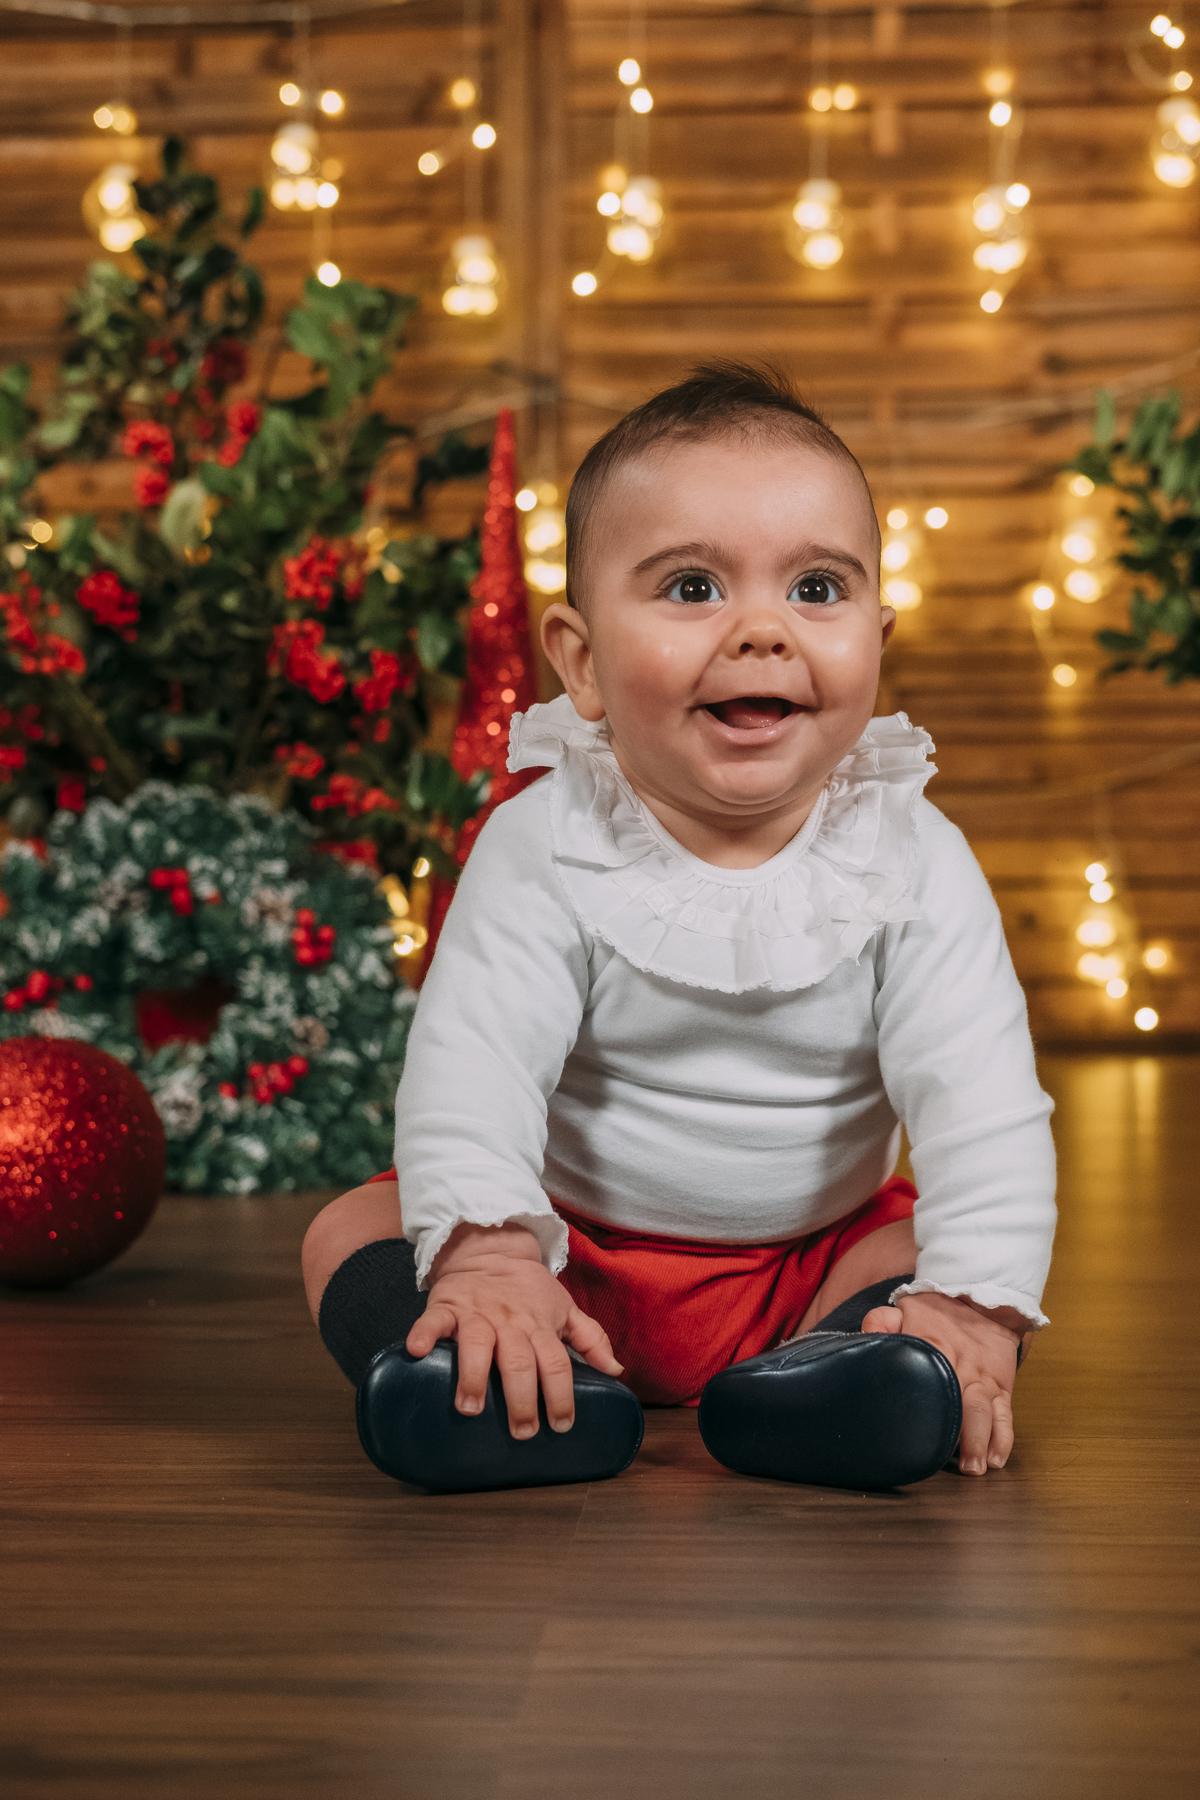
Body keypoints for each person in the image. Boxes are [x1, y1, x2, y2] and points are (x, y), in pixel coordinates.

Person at [301, 362, 1056, 1495]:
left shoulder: (914, 857)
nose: (762, 629)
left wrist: (974, 1308)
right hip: (563, 1246)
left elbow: (984, 1107)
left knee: (920, 1259)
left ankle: (855, 1376)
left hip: (809, 1264)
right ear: (584, 661)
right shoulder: (545, 840)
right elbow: (475, 1066)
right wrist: (496, 1253)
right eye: (694, 587)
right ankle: (488, 1364)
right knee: (349, 1227)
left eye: (816, 589)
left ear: (879, 639)